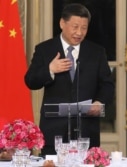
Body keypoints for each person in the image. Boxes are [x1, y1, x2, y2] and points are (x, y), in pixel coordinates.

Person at [24, 3, 114, 155]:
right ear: (62, 23)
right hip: (54, 131)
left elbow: (107, 85)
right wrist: (50, 70)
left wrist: (99, 102)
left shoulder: (96, 52)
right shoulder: (45, 49)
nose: (79, 32)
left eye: (84, 28)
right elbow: (31, 81)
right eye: (75, 26)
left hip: (86, 132)